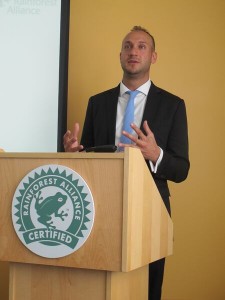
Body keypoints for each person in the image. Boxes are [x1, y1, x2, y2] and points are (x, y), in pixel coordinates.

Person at [63, 26, 190, 300]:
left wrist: (156, 154)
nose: (134, 51)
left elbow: (181, 169)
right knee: (99, 287)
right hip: (100, 211)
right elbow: (88, 160)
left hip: (151, 215)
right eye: (128, 46)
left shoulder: (173, 105)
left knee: (148, 290)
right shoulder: (97, 103)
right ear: (120, 54)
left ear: (153, 56)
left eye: (142, 46)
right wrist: (74, 154)